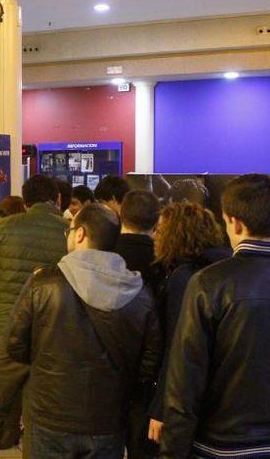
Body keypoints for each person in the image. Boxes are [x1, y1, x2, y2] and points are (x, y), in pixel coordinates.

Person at [160, 174, 270, 459]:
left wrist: (172, 453)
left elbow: (183, 388)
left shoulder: (207, 283)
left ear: (234, 223)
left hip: (219, 448)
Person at [6, 203, 160, 459]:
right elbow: (149, 362)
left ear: (79, 234)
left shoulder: (43, 283)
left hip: (50, 413)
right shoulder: (140, 292)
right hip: (108, 418)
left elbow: (15, 344)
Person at [0, 175, 68, 459]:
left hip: (2, 335)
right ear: (57, 200)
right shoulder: (70, 232)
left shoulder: (3, 229)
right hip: (51, 342)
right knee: (39, 425)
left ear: (25, 201)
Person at [145, 203, 230, 448]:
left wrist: (161, 407)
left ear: (174, 234)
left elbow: (176, 343)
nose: (154, 237)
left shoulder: (184, 277)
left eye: (160, 231)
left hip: (187, 395)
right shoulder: (223, 268)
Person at [112, 190, 161, 459]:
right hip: (148, 375)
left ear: (120, 215)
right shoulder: (166, 260)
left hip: (106, 367)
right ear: (156, 221)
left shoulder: (105, 255)